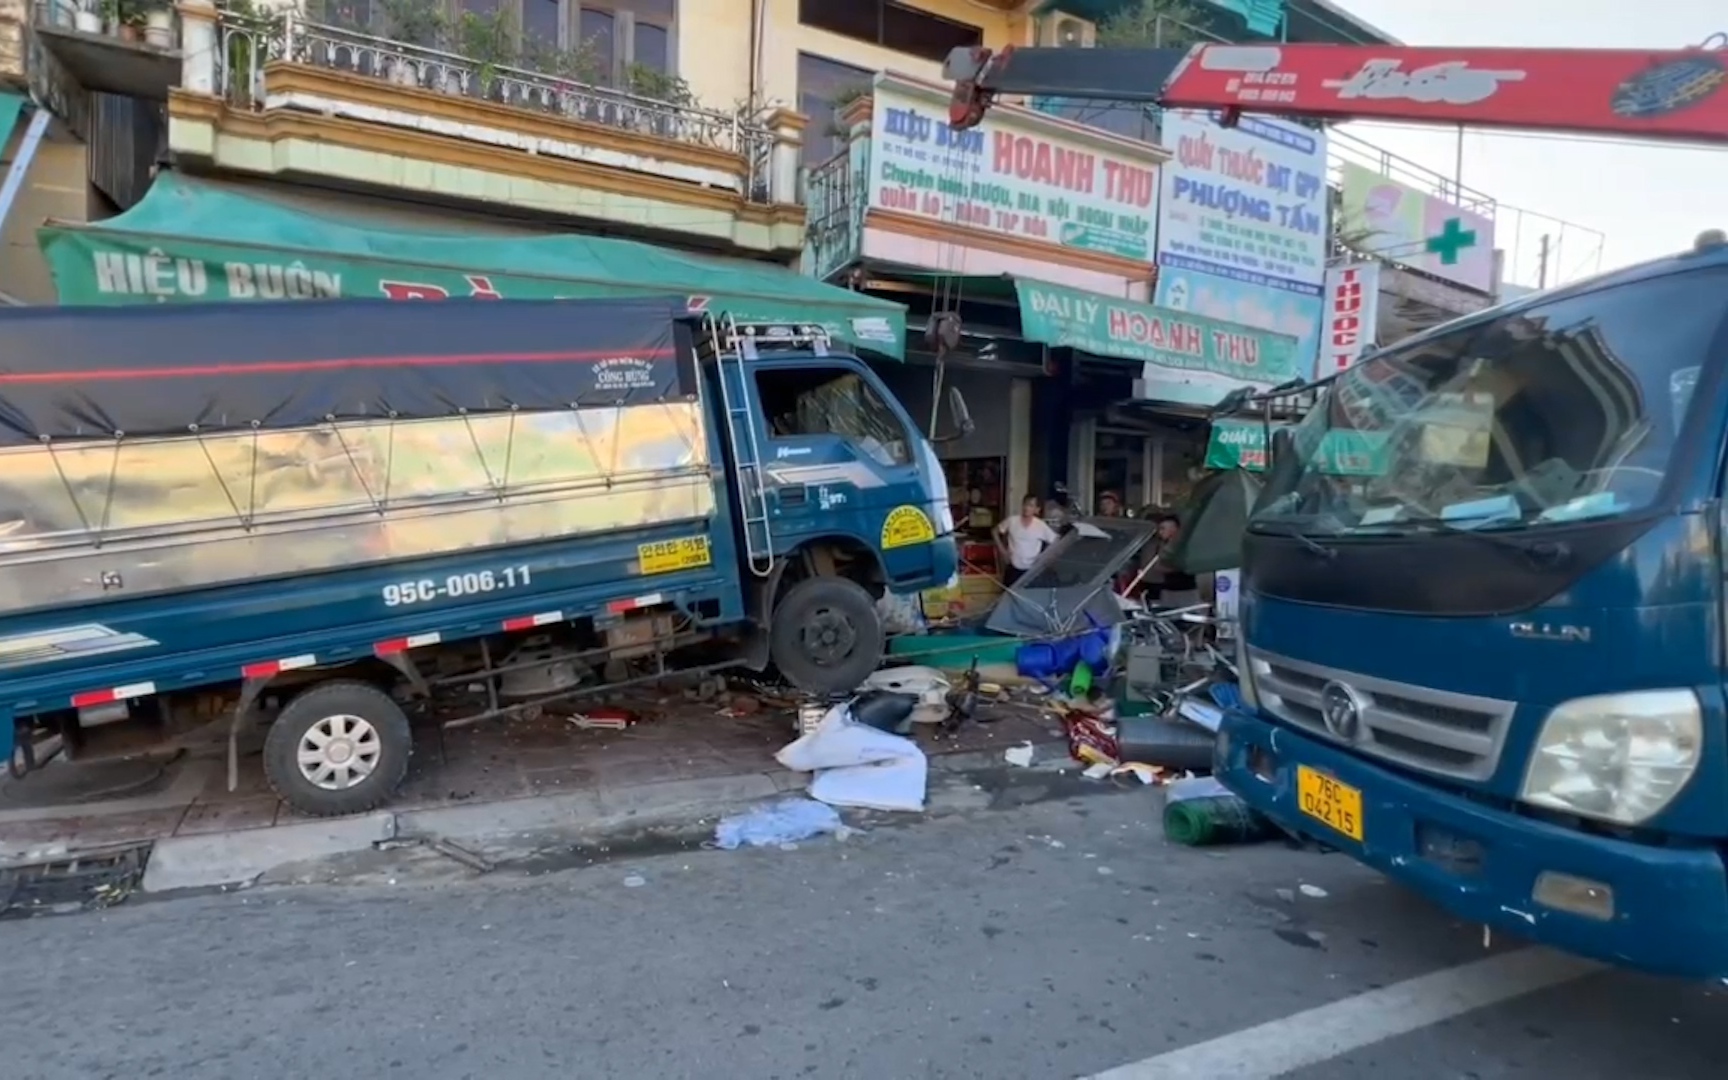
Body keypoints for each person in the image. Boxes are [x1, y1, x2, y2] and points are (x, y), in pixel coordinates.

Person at [996, 494, 1058, 588]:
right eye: (1025, 504)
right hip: (1013, 569)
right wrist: (1002, 551)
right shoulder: (1012, 521)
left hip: (1030, 570)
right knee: (1007, 597)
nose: (1027, 508)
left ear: (1036, 509)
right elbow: (994, 531)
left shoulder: (1040, 525)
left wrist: (1044, 557)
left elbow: (1056, 541)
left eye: (1031, 505)